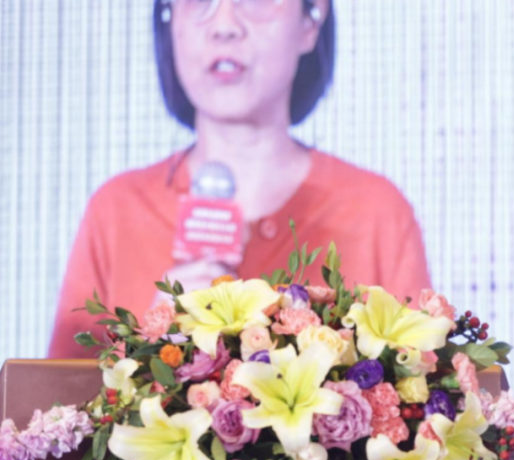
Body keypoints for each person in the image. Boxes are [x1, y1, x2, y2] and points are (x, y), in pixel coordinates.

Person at [48, 0, 432, 359]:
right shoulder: (117, 211)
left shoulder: (376, 212)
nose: (225, 25)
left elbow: (421, 386)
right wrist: (149, 355)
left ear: (311, 19)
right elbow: (57, 403)